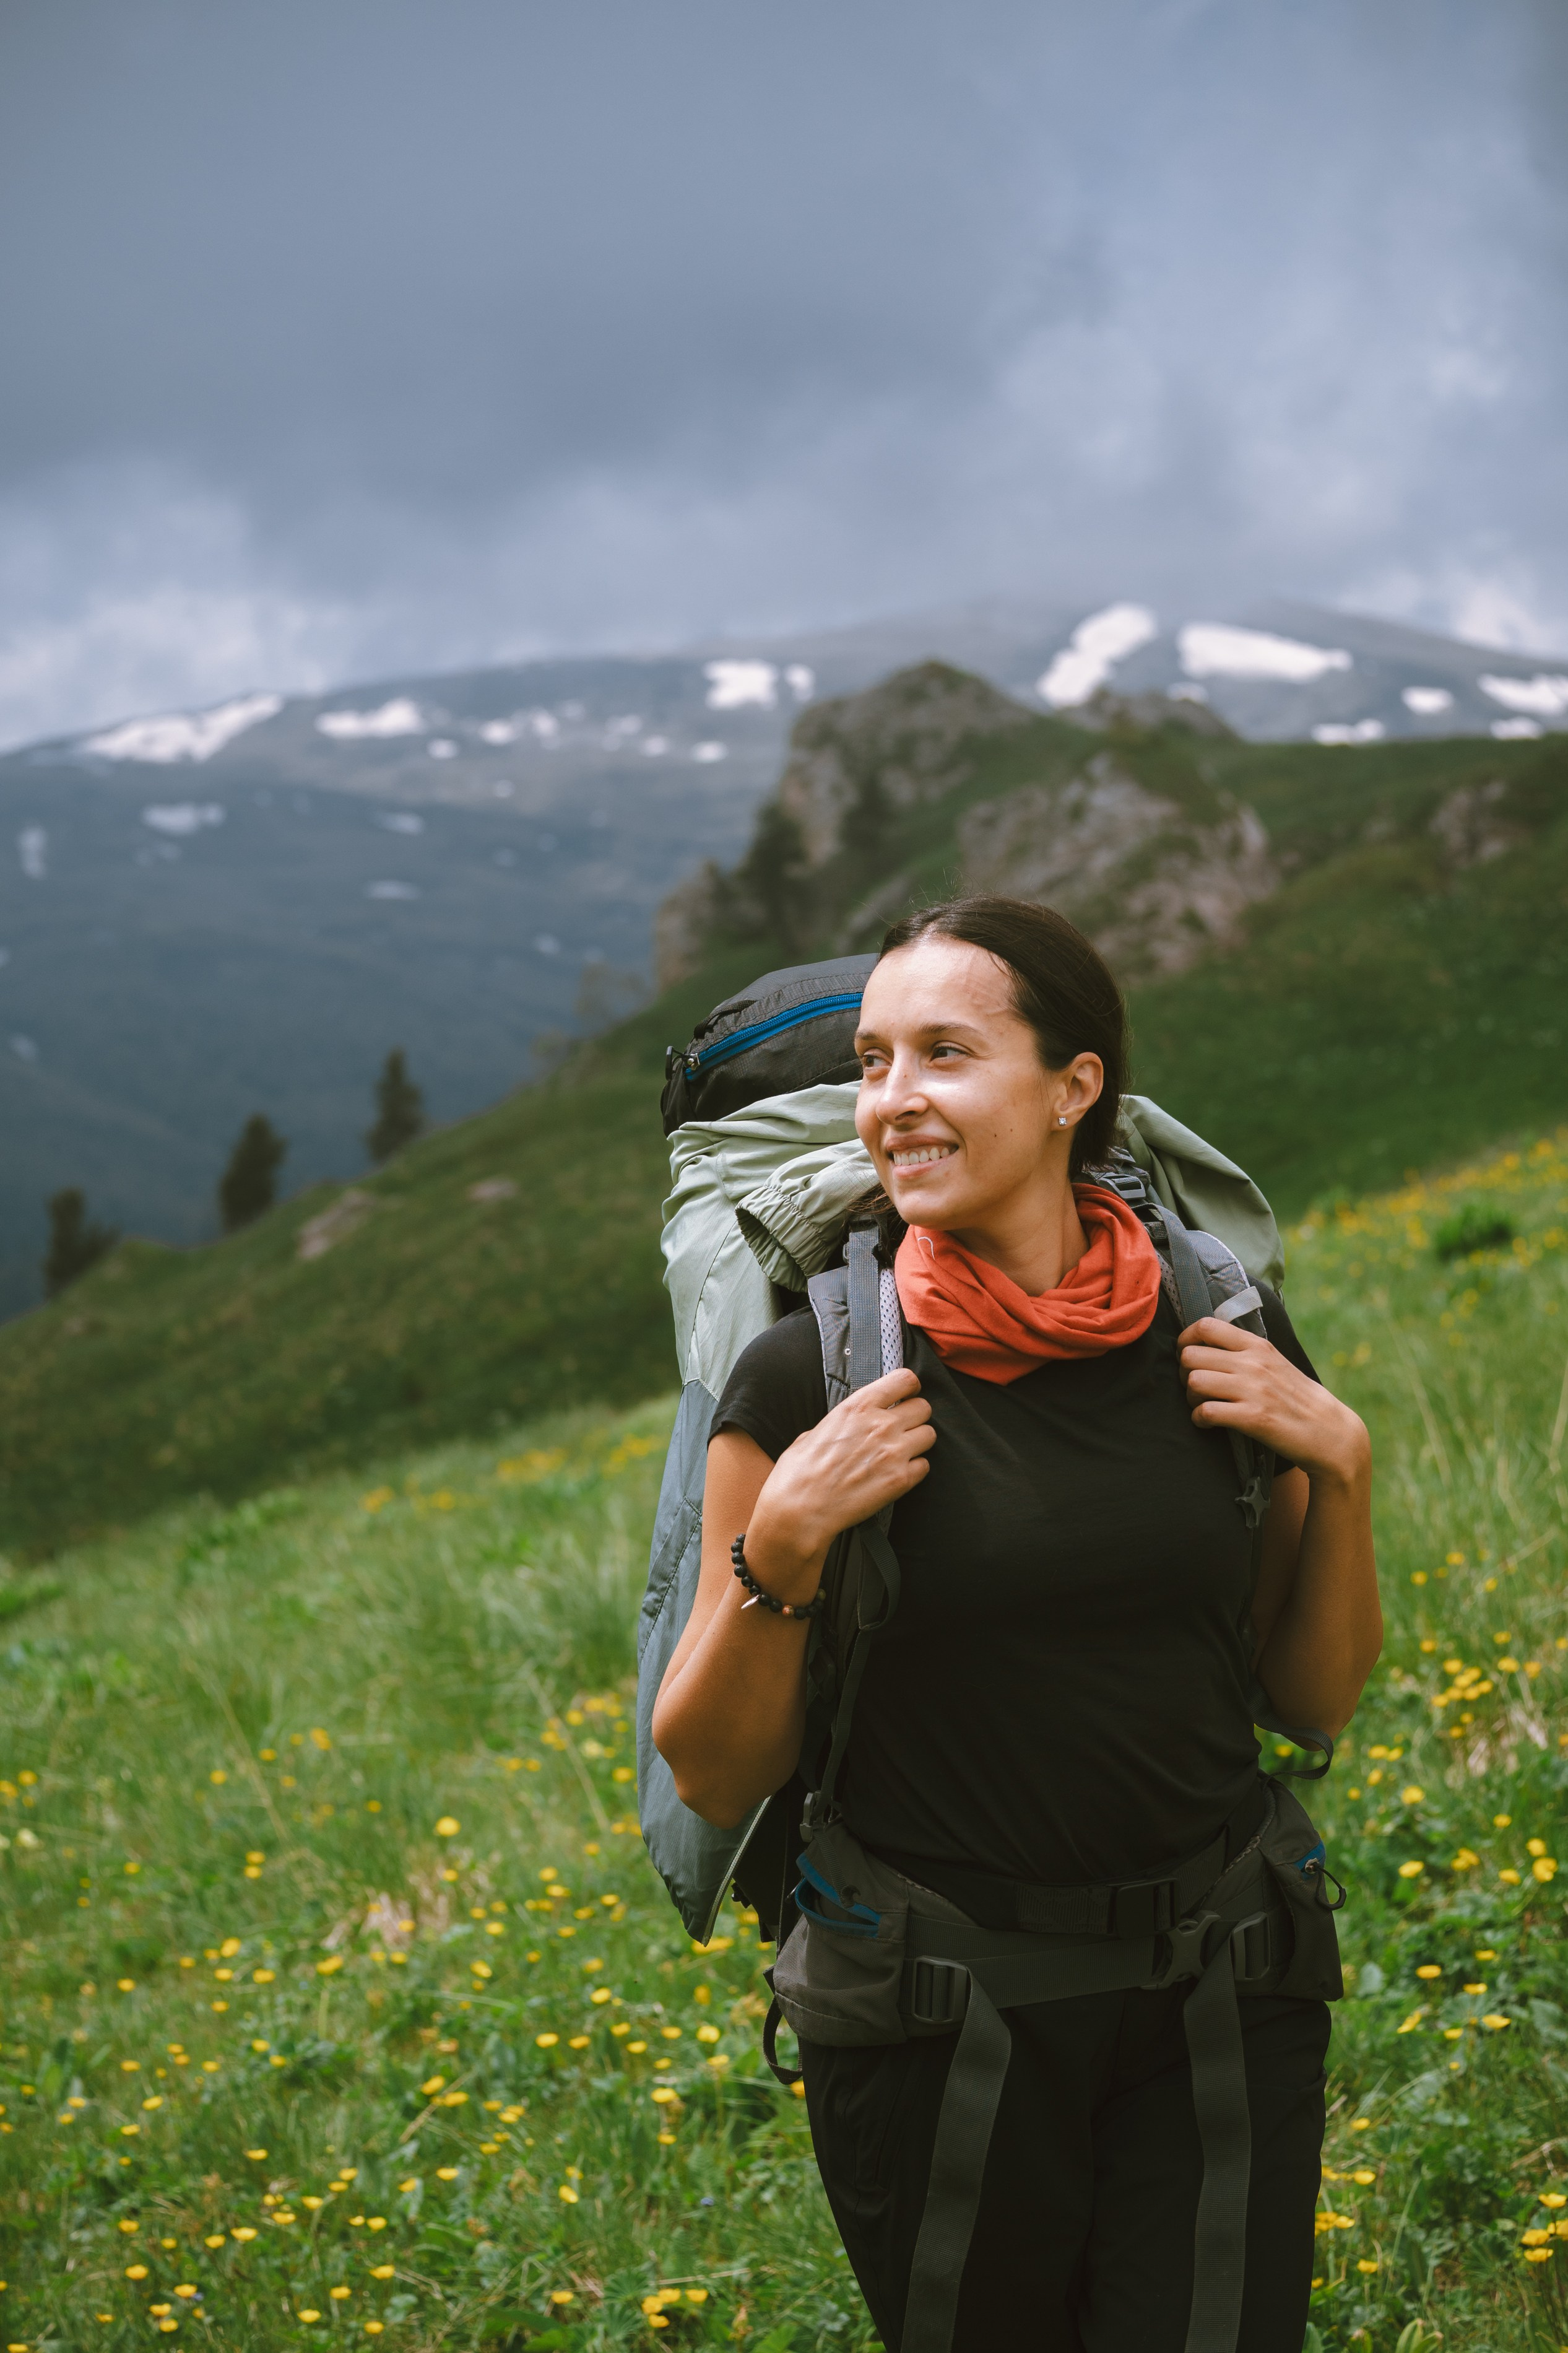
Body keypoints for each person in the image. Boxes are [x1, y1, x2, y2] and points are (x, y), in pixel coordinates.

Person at [652, 895, 1380, 2352]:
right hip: (940, 2024)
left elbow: (1307, 1698)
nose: (894, 1101)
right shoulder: (809, 1384)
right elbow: (713, 1768)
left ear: (1072, 1088)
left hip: (1221, 1992)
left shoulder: (1219, 1334)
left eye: (943, 1052)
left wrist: (1341, 1473)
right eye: (870, 1063)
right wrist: (783, 1541)